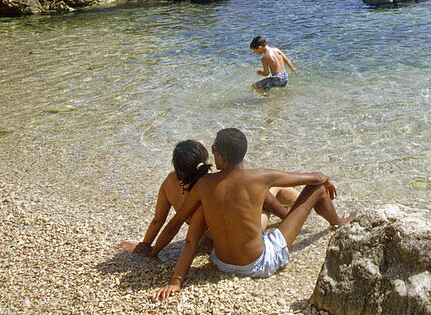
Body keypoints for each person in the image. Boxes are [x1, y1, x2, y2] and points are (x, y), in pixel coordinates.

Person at [150, 128, 355, 301]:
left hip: (221, 263)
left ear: (222, 157)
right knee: (318, 190)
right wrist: (325, 179)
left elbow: (182, 233)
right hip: (258, 265)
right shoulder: (260, 177)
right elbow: (315, 179)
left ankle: (309, 219)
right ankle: (338, 224)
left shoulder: (204, 185)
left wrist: (174, 280)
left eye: (214, 150)